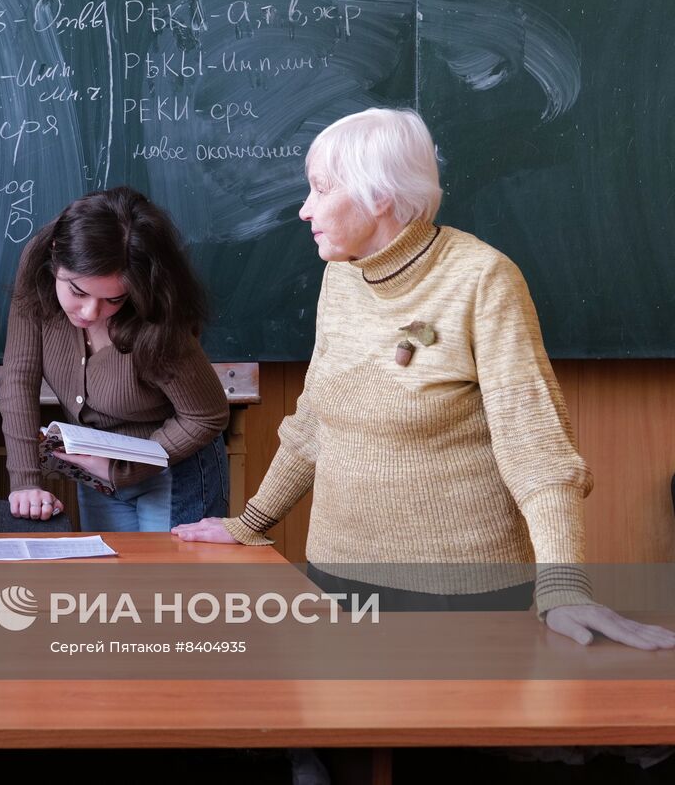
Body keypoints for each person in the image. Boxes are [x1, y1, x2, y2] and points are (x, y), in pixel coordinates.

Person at [173, 108, 675, 651]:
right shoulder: (339, 276)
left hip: (459, 592)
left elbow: (536, 448)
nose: (304, 209)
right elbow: (316, 418)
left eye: (320, 190)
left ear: (378, 196)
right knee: (341, 731)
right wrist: (251, 521)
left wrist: (564, 587)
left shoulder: (482, 279)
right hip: (338, 575)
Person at [1, 186, 230, 530]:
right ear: (54, 257)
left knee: (166, 584)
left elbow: (207, 416)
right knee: (111, 580)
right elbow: (19, 379)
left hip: (173, 469)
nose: (91, 311)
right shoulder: (37, 270)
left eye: (113, 299)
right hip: (97, 473)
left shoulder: (154, 311)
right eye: (77, 291)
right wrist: (25, 481)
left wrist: (123, 468)